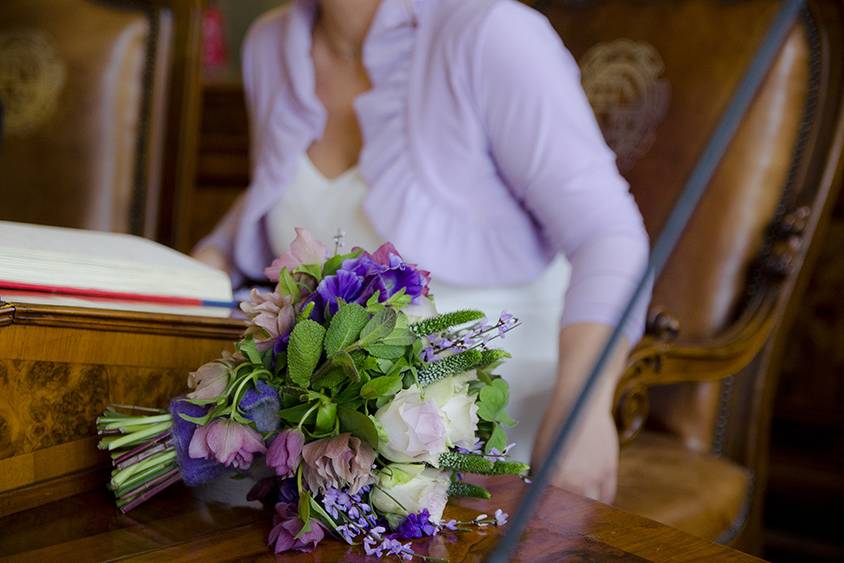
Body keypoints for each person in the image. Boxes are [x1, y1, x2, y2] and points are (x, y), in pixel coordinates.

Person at [193, 0, 650, 503]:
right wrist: (197, 269)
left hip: (506, 416)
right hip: (335, 434)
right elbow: (277, 204)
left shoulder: (492, 33)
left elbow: (608, 234)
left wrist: (582, 407)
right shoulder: (269, 44)